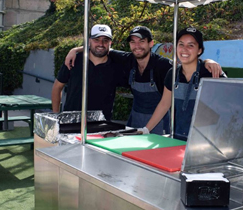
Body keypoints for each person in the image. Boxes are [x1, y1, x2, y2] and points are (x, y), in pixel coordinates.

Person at [65, 26, 222, 135]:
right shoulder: (128, 59)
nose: (137, 46)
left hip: (163, 125)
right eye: (133, 42)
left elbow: (165, 104)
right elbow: (101, 48)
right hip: (136, 121)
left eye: (141, 41)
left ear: (151, 44)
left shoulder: (164, 66)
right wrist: (76, 49)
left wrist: (207, 61)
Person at [142, 27, 227, 140]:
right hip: (177, 137)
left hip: (206, 140)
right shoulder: (172, 73)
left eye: (191, 45)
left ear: (199, 50)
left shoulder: (210, 72)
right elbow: (164, 104)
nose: (184, 49)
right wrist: (146, 130)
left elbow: (227, 106)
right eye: (181, 44)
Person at [51, 24, 125, 120]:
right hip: (71, 121)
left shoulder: (116, 66)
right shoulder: (74, 60)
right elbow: (57, 87)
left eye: (105, 41)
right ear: (89, 41)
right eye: (96, 40)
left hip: (100, 125)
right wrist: (56, 115)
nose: (101, 44)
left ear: (110, 43)